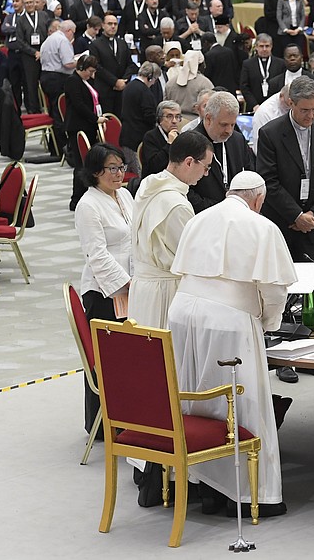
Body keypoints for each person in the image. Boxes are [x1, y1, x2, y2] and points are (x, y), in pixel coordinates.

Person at [166, 170, 297, 517]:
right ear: (259, 199)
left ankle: (202, 485)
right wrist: (268, 325)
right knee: (240, 402)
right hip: (228, 319)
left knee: (195, 395)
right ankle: (248, 493)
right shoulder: (262, 226)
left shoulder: (199, 218)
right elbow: (274, 289)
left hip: (181, 313)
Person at [74, 142, 136, 434]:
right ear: (96, 172)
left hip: (132, 284)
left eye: (121, 167)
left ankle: (129, 417)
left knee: (129, 357)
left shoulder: (124, 195)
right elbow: (96, 255)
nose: (118, 173)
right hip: (103, 291)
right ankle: (101, 424)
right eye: (111, 168)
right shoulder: (88, 205)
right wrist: (124, 284)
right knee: (107, 360)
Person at [130, 130, 211, 333]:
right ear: (189, 162)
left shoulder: (149, 184)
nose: (206, 174)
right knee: (168, 357)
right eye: (206, 167)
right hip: (165, 292)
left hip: (143, 288)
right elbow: (191, 258)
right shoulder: (176, 205)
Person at [256, 76, 314, 263]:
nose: (310, 116)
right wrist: (296, 215)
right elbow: (269, 181)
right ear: (290, 103)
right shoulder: (270, 133)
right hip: (282, 223)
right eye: (304, 110)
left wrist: (313, 214)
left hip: (313, 224)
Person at [188, 91, 255, 212]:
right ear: (208, 118)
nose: (229, 131)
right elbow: (186, 190)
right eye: (223, 125)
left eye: (233, 124)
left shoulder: (237, 139)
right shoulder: (190, 143)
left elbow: (250, 173)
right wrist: (218, 209)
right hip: (204, 216)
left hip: (236, 213)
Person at [63, 56, 107, 209]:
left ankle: (88, 195)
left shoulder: (87, 81)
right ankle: (76, 199)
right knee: (81, 163)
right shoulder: (72, 81)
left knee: (89, 163)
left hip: (89, 126)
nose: (91, 74)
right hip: (78, 127)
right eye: (90, 71)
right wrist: (95, 119)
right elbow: (79, 105)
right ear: (81, 68)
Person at [139, 100, 182, 177]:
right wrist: (169, 144)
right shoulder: (150, 137)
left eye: (177, 116)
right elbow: (154, 167)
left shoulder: (180, 137)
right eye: (169, 116)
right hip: (156, 181)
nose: (174, 121)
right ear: (160, 119)